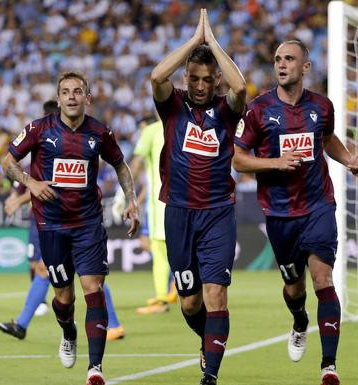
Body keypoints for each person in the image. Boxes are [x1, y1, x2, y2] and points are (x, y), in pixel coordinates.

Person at [232, 39, 358, 385]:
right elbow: (237, 157)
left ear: (305, 67)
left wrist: (348, 158)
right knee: (294, 287)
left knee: (323, 278)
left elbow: (327, 139)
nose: (281, 64)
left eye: (289, 58)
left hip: (318, 205)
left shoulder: (322, 106)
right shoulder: (258, 109)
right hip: (279, 213)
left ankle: (329, 366)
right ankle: (299, 321)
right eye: (277, 58)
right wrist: (275, 162)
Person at [1, 72, 139, 385]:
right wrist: (31, 183)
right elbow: (7, 162)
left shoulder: (100, 132)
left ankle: (95, 368)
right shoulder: (39, 128)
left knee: (94, 288)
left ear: (87, 98)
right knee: (64, 298)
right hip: (51, 225)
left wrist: (131, 199)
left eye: (78, 91)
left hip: (88, 223)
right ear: (59, 98)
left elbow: (120, 164)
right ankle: (68, 331)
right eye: (66, 92)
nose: (72, 97)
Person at [150, 9, 246, 385]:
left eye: (207, 79)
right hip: (179, 215)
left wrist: (213, 43)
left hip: (218, 215)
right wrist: (194, 42)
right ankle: (208, 340)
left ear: (215, 79)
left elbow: (240, 88)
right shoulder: (172, 106)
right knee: (190, 302)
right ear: (186, 77)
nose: (200, 85)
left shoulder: (226, 111)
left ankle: (211, 376)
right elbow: (157, 75)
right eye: (194, 78)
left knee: (215, 294)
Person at [0, 101, 126, 342]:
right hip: (46, 218)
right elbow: (24, 175)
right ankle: (24, 323)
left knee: (82, 276)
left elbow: (58, 183)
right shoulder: (40, 139)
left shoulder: (71, 140)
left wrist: (19, 200)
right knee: (55, 271)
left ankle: (25, 324)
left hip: (66, 219)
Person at [130, 117, 177, 314]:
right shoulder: (188, 124)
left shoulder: (152, 130)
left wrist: (123, 191)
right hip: (189, 201)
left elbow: (136, 162)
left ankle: (161, 300)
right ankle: (186, 291)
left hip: (162, 202)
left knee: (159, 253)